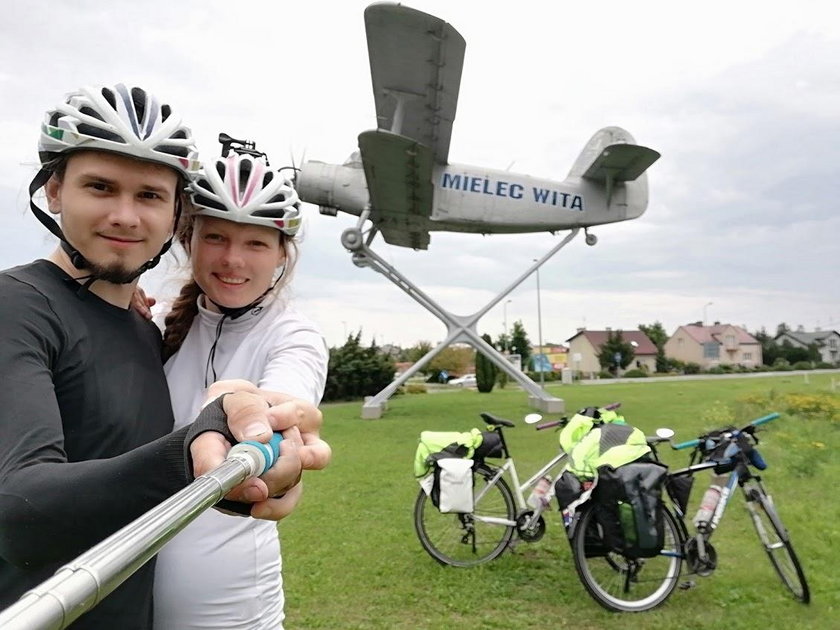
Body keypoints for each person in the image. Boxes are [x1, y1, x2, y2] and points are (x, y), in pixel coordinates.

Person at [0, 84, 318, 629]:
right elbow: (20, 516)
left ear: (174, 216)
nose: (125, 216)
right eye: (100, 187)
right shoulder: (16, 307)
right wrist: (201, 451)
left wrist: (257, 479)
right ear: (54, 191)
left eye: (149, 195)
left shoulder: (148, 329)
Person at [150, 137, 329, 629]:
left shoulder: (294, 335)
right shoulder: (156, 319)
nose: (234, 259)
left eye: (255, 243)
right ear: (188, 240)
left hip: (228, 601)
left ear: (280, 255)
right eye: (216, 238)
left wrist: (253, 414)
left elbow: (282, 403)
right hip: (129, 583)